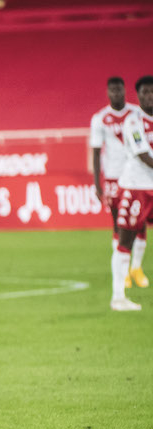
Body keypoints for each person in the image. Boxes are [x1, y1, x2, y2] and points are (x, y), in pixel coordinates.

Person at [91, 77, 144, 286]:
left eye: (119, 89)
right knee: (118, 224)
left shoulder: (136, 114)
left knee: (139, 223)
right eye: (112, 90)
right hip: (113, 177)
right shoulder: (100, 118)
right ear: (107, 92)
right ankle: (123, 273)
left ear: (125, 90)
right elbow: (96, 153)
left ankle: (136, 268)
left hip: (137, 176)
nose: (116, 93)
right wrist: (98, 185)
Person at [113, 75, 153, 311]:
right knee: (125, 240)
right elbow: (144, 155)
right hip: (136, 187)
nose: (149, 96)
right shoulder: (133, 121)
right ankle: (118, 297)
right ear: (138, 96)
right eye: (145, 92)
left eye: (152, 92)